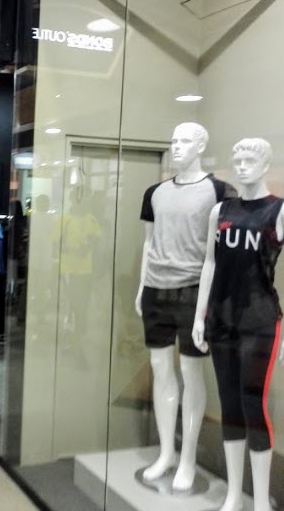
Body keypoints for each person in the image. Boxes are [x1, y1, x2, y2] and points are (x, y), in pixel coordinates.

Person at [135, 122, 236, 490]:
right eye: (173, 140)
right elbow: (149, 243)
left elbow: (222, 252)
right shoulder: (155, 193)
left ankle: (188, 458)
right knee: (160, 369)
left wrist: (214, 301)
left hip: (194, 291)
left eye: (184, 141)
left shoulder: (220, 191)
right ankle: (166, 453)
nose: (176, 146)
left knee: (192, 373)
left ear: (201, 146)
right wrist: (141, 286)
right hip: (155, 289)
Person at [193, 138, 283, 511]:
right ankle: (234, 494)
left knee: (252, 403)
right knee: (229, 403)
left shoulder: (278, 210)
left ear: (265, 165)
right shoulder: (221, 210)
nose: (242, 165)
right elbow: (210, 263)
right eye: (238, 159)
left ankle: (260, 500)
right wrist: (199, 315)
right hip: (221, 319)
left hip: (259, 321)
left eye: (250, 159)